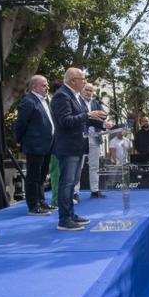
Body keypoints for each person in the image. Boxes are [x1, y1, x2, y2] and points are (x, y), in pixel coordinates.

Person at [50, 67, 107, 230]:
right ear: (73, 80)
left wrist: (103, 124)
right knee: (66, 184)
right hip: (67, 147)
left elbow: (84, 120)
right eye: (83, 78)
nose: (85, 81)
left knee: (72, 182)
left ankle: (71, 214)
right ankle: (64, 219)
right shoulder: (62, 95)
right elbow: (66, 121)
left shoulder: (75, 96)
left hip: (77, 146)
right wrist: (88, 115)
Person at [14, 75, 55, 215]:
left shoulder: (44, 100)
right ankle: (33, 206)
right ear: (34, 87)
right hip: (34, 144)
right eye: (44, 85)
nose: (47, 87)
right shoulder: (28, 101)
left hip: (47, 145)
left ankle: (42, 202)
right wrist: (19, 140)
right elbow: (21, 123)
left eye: (47, 85)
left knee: (42, 176)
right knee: (33, 176)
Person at [78, 84, 107, 199]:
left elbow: (104, 115)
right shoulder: (77, 101)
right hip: (81, 137)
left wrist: (103, 121)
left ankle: (95, 190)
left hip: (95, 136)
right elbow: (79, 117)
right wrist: (91, 117)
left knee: (95, 165)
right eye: (86, 90)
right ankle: (75, 192)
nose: (88, 92)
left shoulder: (96, 103)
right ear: (82, 89)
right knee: (78, 166)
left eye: (91, 90)